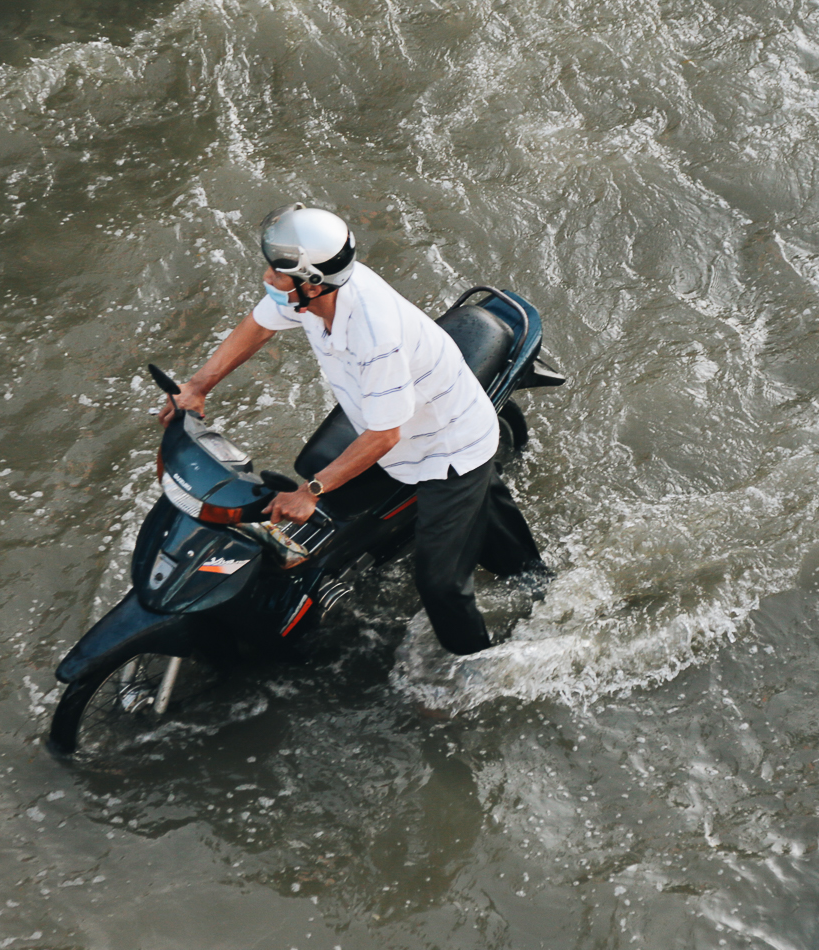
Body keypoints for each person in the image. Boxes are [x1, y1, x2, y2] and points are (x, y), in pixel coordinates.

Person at [157, 203, 546, 655]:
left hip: (445, 446)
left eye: (278, 272)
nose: (267, 277)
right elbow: (257, 327)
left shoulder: (373, 333)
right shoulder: (309, 296)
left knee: (439, 582)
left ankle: (477, 663)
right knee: (490, 530)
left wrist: (310, 492)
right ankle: (533, 579)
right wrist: (199, 386)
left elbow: (384, 438)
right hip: (387, 418)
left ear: (312, 282)